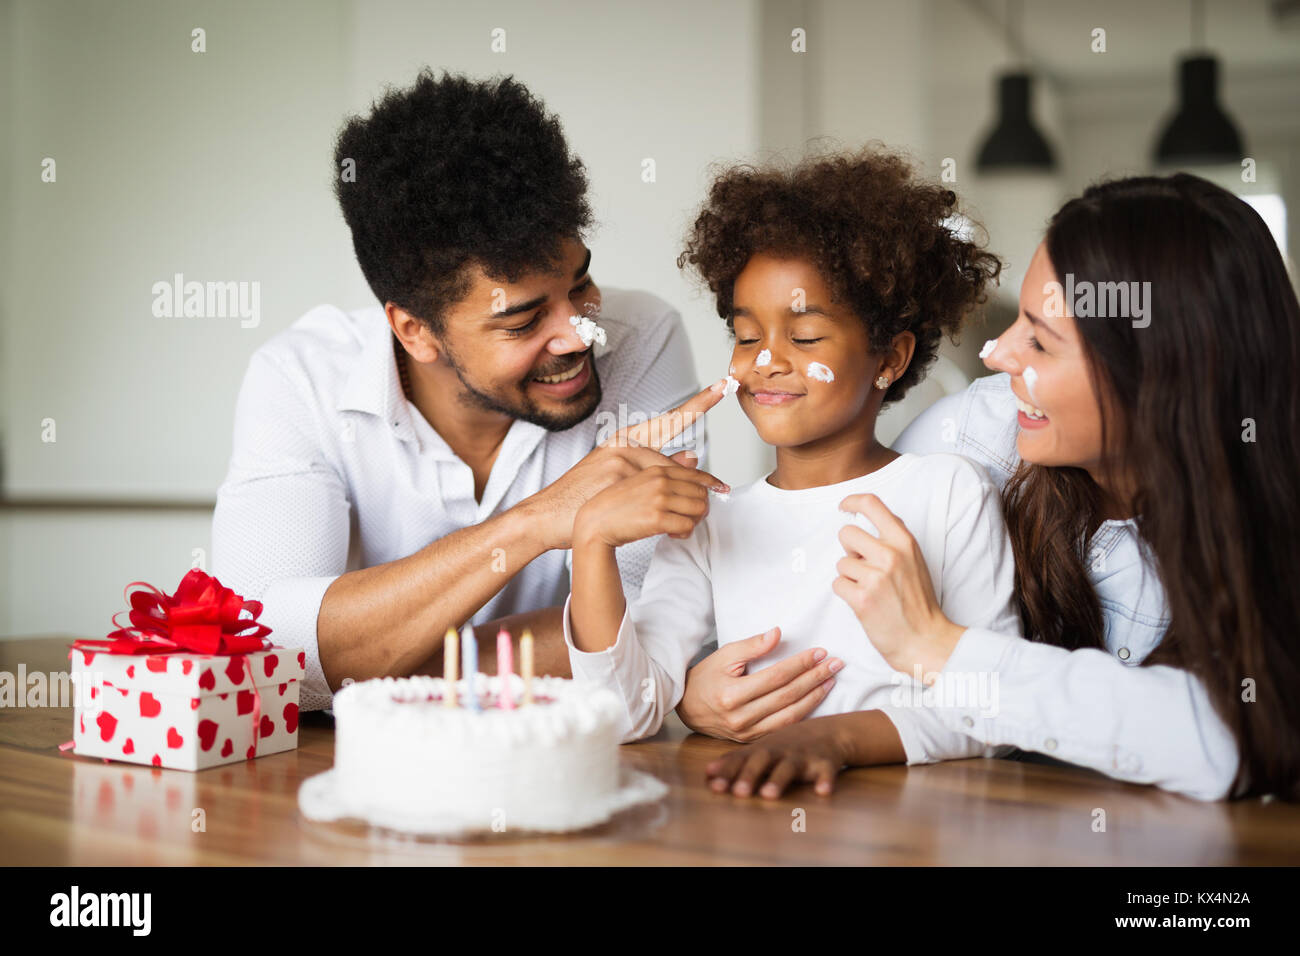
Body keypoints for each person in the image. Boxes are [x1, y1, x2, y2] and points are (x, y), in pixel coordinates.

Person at [702, 173, 1300, 801]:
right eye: (1020, 319)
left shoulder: (1266, 526)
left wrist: (935, 646)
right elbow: (839, 641)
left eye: (1041, 341)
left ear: (1156, 381)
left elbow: (1224, 738)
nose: (998, 355)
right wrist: (700, 697)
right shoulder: (974, 433)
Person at [211, 71, 721, 710]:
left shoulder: (643, 337)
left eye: (581, 284)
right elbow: (254, 648)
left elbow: (648, 635)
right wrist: (538, 522)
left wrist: (372, 660)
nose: (579, 334)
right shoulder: (301, 379)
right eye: (525, 320)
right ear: (415, 330)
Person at [565, 148, 1018, 767]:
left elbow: (992, 707)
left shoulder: (948, 493)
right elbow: (622, 712)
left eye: (804, 338)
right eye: (746, 336)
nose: (764, 360)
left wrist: (836, 738)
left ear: (890, 359)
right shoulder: (710, 520)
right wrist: (592, 538)